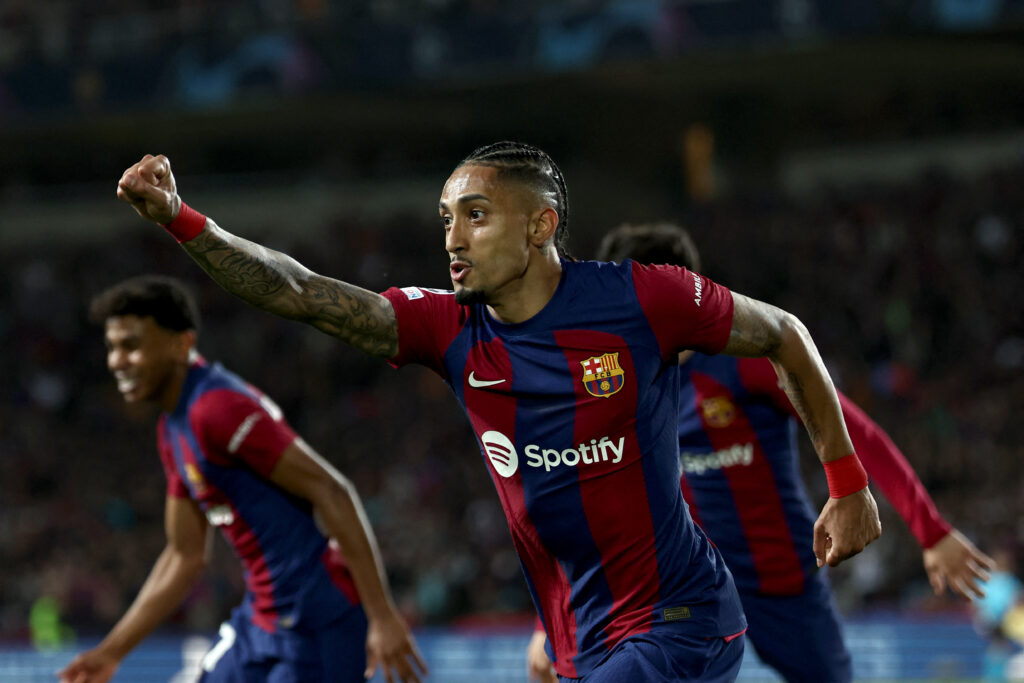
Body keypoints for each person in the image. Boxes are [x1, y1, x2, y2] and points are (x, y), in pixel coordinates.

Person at [115, 143, 883, 682]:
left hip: (679, 621)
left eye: (475, 214)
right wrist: (186, 220)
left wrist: (847, 484)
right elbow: (302, 291)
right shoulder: (450, 329)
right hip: (577, 635)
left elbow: (786, 334)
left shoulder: (641, 297)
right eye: (446, 217)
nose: (452, 237)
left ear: (540, 224)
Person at [524, 222, 993, 683]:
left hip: (781, 584)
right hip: (676, 593)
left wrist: (931, 531)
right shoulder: (610, 388)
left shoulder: (744, 364)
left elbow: (857, 433)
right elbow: (588, 513)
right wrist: (550, 623)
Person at [58, 276, 426, 683]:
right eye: (112, 348)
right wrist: (111, 652)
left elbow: (332, 489)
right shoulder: (173, 427)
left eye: (131, 345)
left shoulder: (217, 409)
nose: (116, 361)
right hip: (263, 618)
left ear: (181, 344)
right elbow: (184, 555)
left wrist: (383, 616)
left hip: (319, 620)